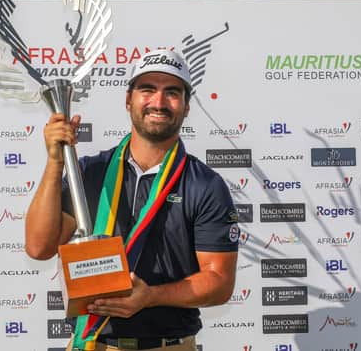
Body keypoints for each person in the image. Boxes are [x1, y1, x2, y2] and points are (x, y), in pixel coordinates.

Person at [26, 49, 239, 351]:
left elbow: (219, 281)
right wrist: (55, 161)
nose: (159, 102)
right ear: (129, 100)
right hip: (93, 344)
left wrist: (151, 296)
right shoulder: (90, 171)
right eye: (147, 89)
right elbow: (39, 246)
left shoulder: (205, 185)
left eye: (172, 92)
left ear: (187, 107)